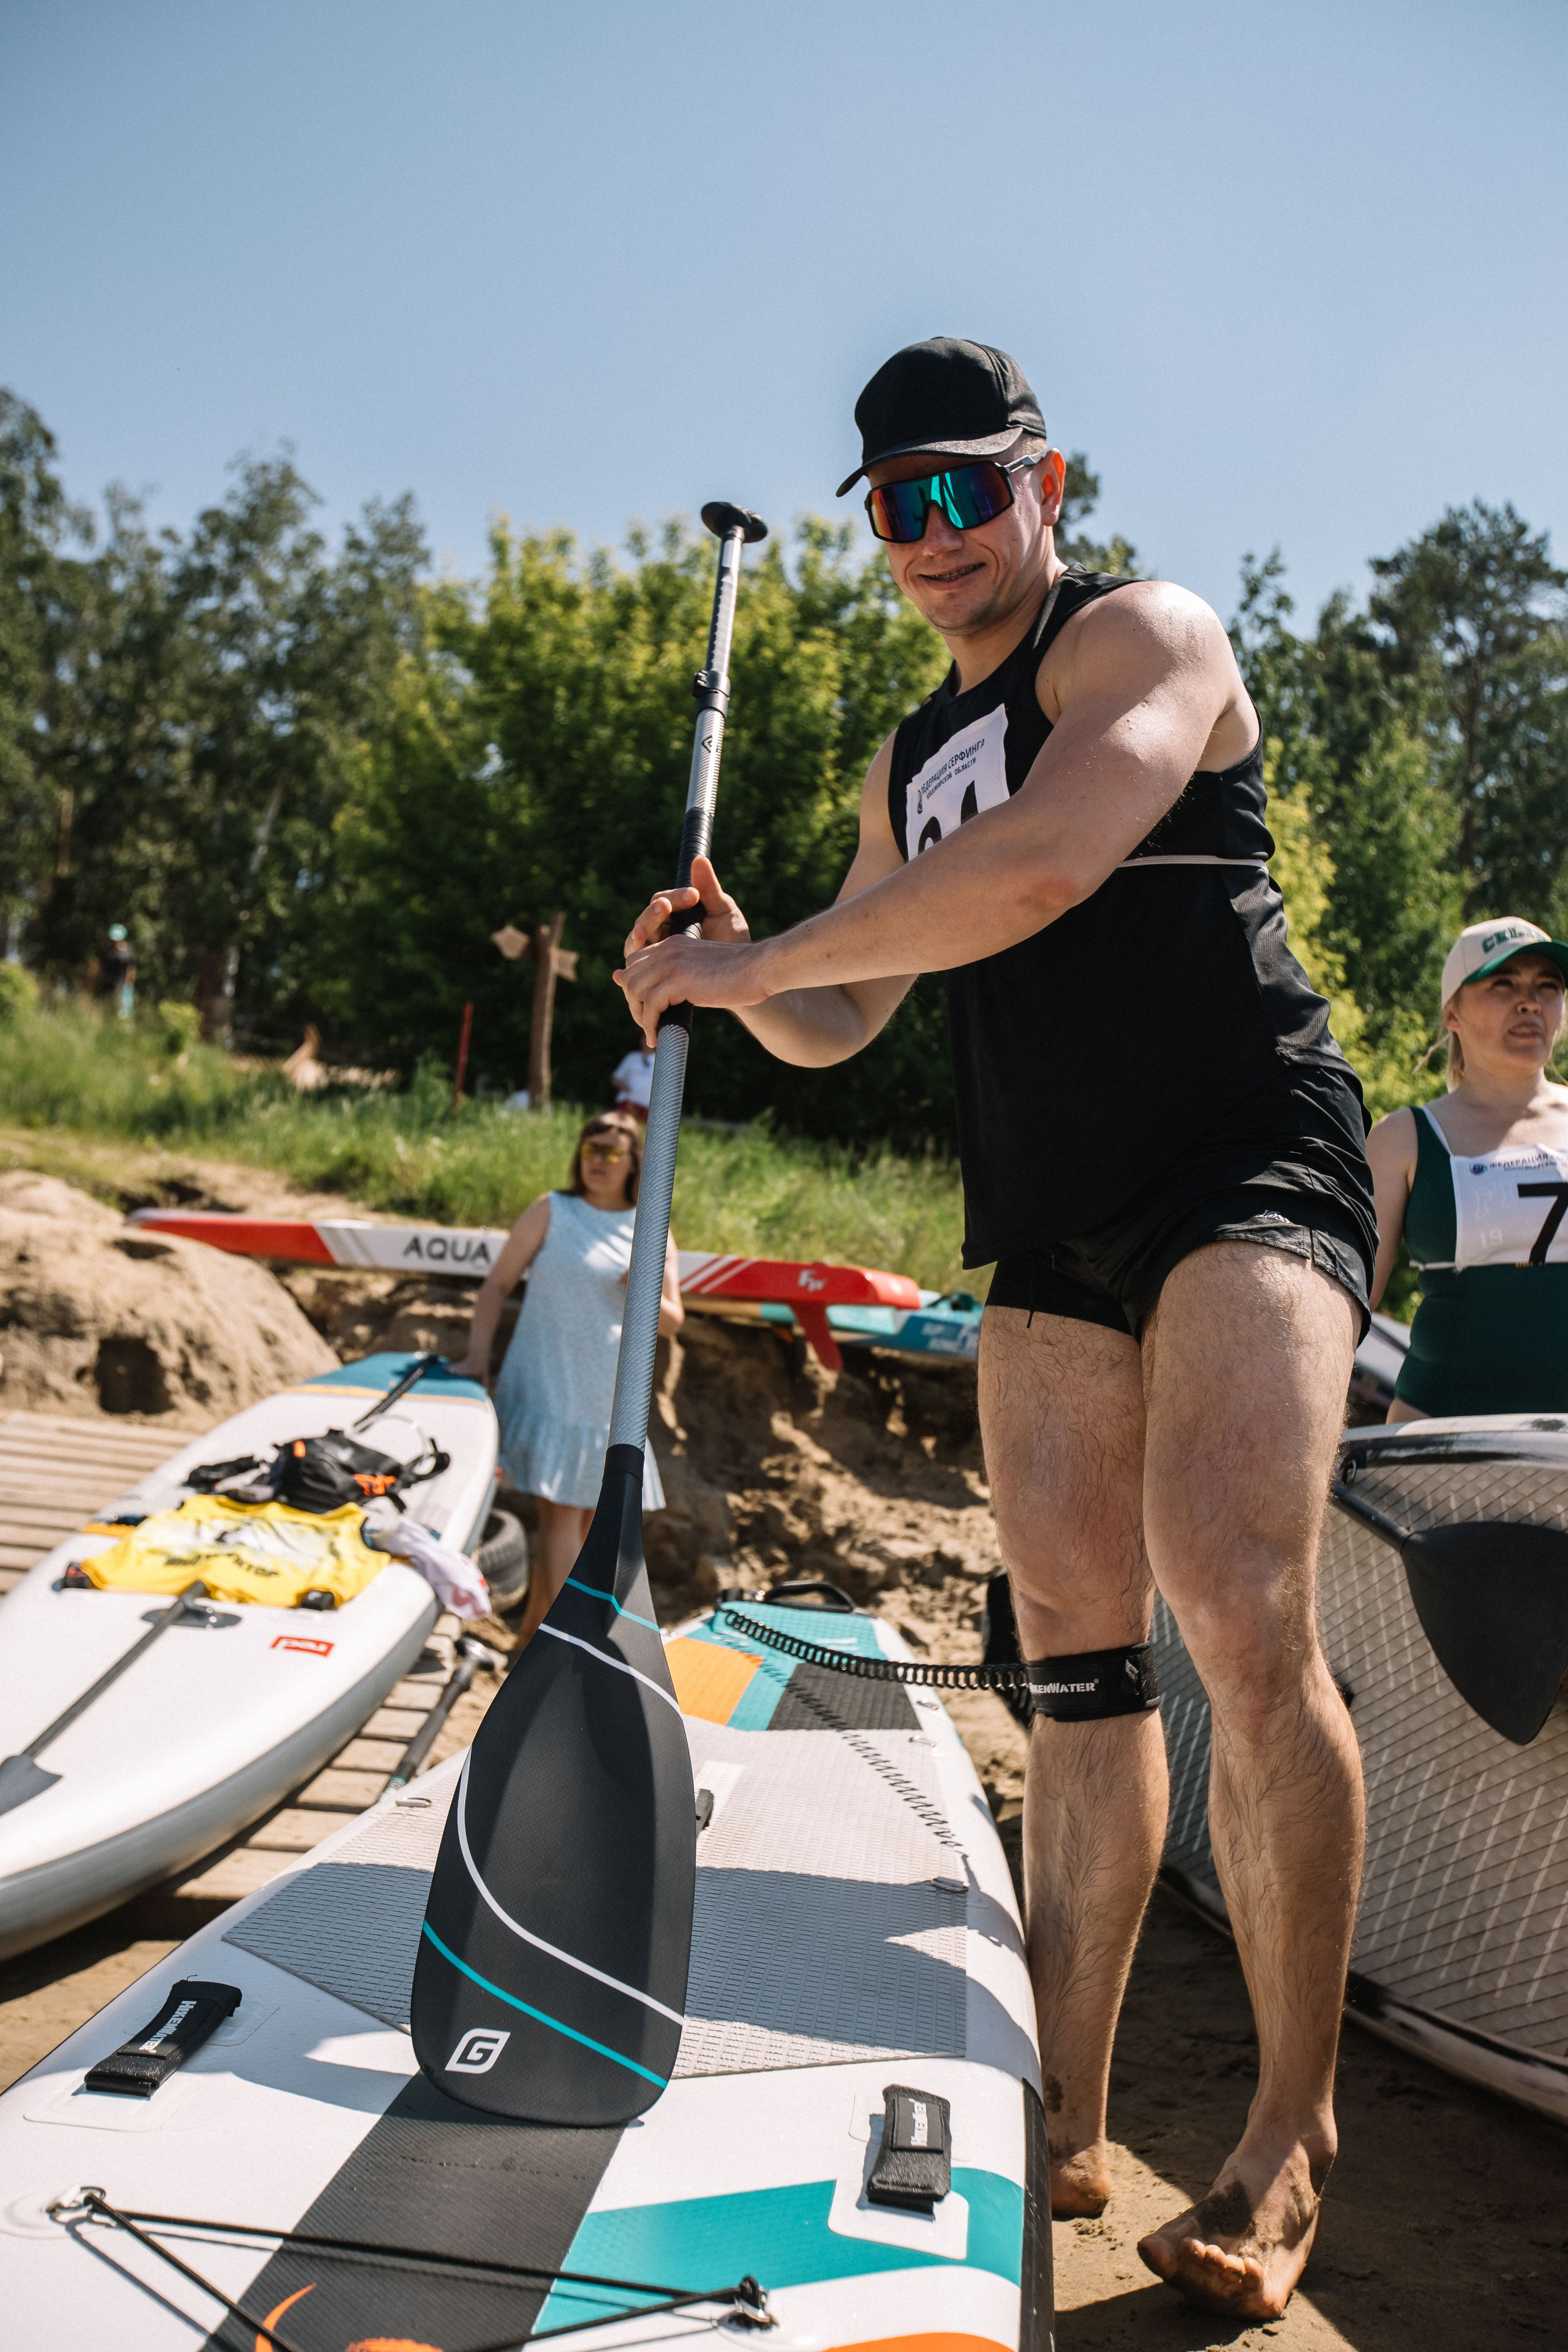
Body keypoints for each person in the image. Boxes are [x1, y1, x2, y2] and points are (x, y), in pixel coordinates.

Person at [616, 338, 1376, 2322]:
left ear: (1052, 484)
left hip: (1242, 1165)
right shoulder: (900, 756)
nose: (934, 534)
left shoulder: (1145, 634)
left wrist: (770, 955)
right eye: (896, 504)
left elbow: (1040, 874)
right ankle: (1066, 2105)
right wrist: (722, 978)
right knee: (1080, 1671)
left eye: (970, 490)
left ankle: (1292, 2134)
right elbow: (848, 1009)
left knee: (1233, 1594)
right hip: (1049, 1226)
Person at [450, 1111, 683, 1643]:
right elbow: (496, 1286)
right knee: (560, 1523)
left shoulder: (650, 1225)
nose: (597, 1161)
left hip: (606, 1398)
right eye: (590, 1149)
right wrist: (477, 1357)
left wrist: (641, 1284)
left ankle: (535, 1643)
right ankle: (570, 1651)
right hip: (548, 1384)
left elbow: (673, 1321)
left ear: (632, 1163)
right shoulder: (551, 1210)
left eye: (611, 1153)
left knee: (576, 1529)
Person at [1368, 918, 1568, 1420]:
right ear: (1452, 1012)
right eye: (1504, 983)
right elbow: (1346, 1308)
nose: (1530, 1002)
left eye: (1548, 986)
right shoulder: (1402, 1138)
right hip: (1438, 1442)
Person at [611, 1041, 655, 1122]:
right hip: (628, 1103)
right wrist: (624, 1087)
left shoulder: (661, 1061)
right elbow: (616, 1078)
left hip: (648, 1106)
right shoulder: (632, 1057)